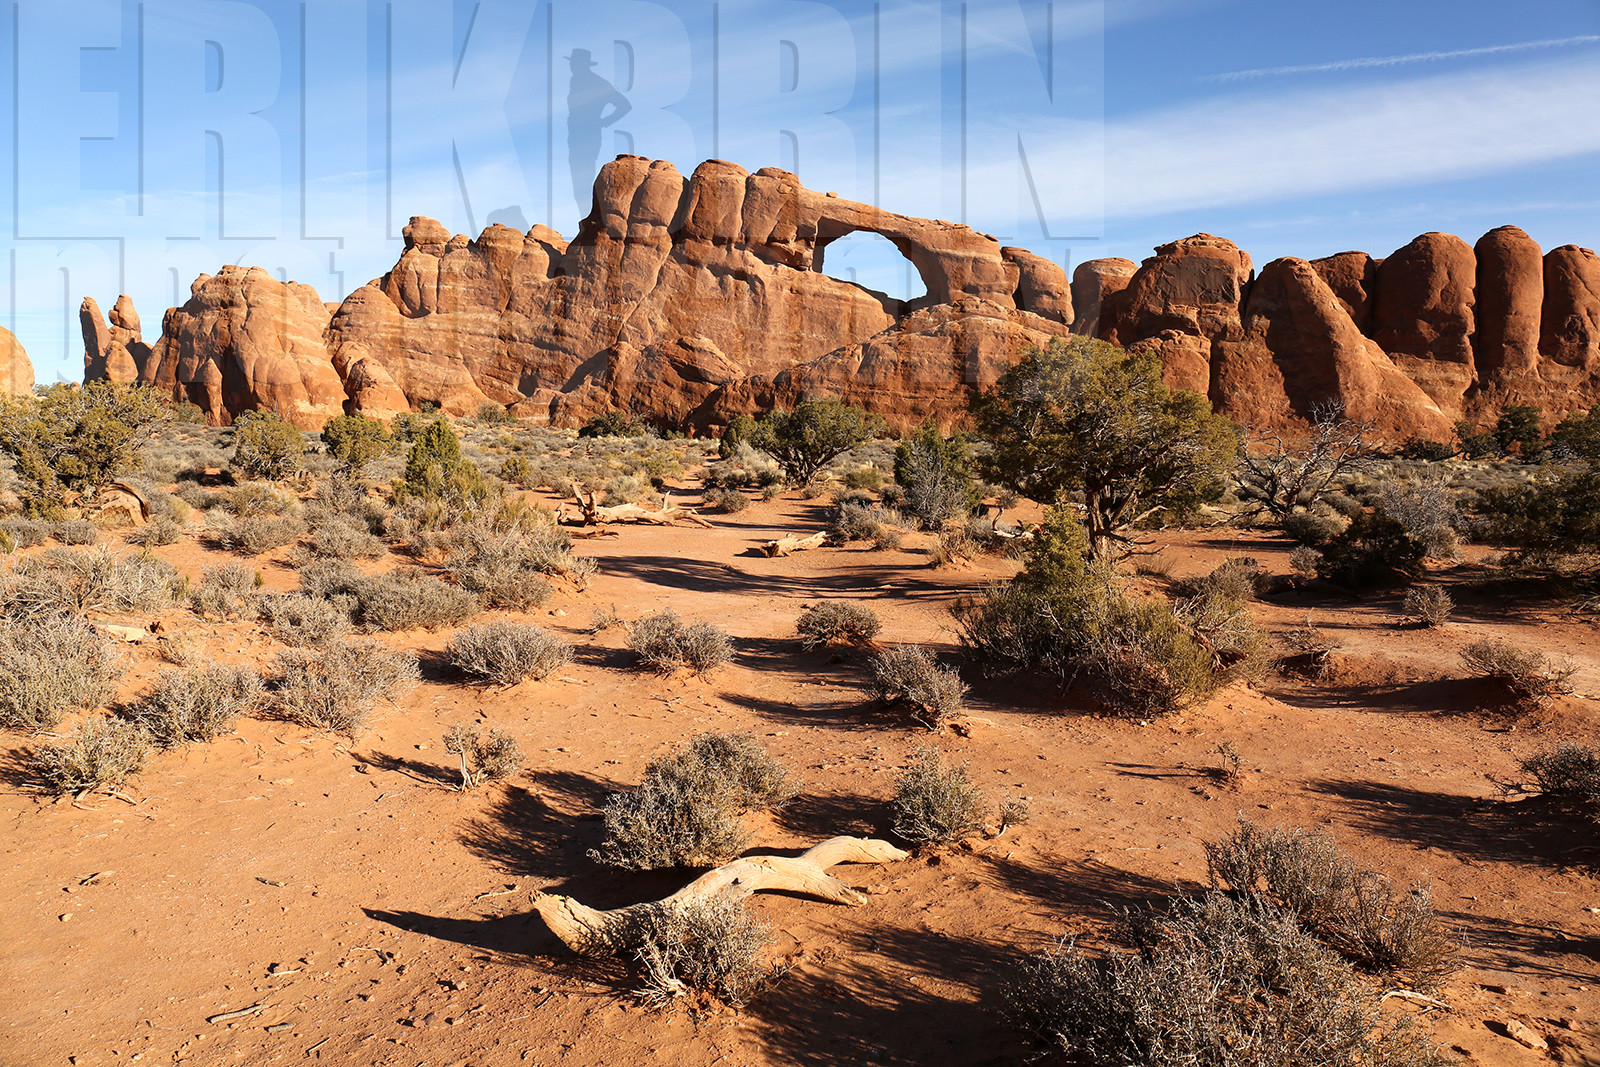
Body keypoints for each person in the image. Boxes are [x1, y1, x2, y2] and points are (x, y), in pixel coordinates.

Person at [566, 49, 632, 208]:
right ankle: (587, 218)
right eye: (571, 62)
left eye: (574, 62)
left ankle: (593, 214)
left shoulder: (597, 83)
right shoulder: (575, 81)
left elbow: (624, 105)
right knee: (578, 177)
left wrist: (603, 122)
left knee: (584, 176)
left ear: (582, 64)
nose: (572, 65)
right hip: (576, 135)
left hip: (588, 135)